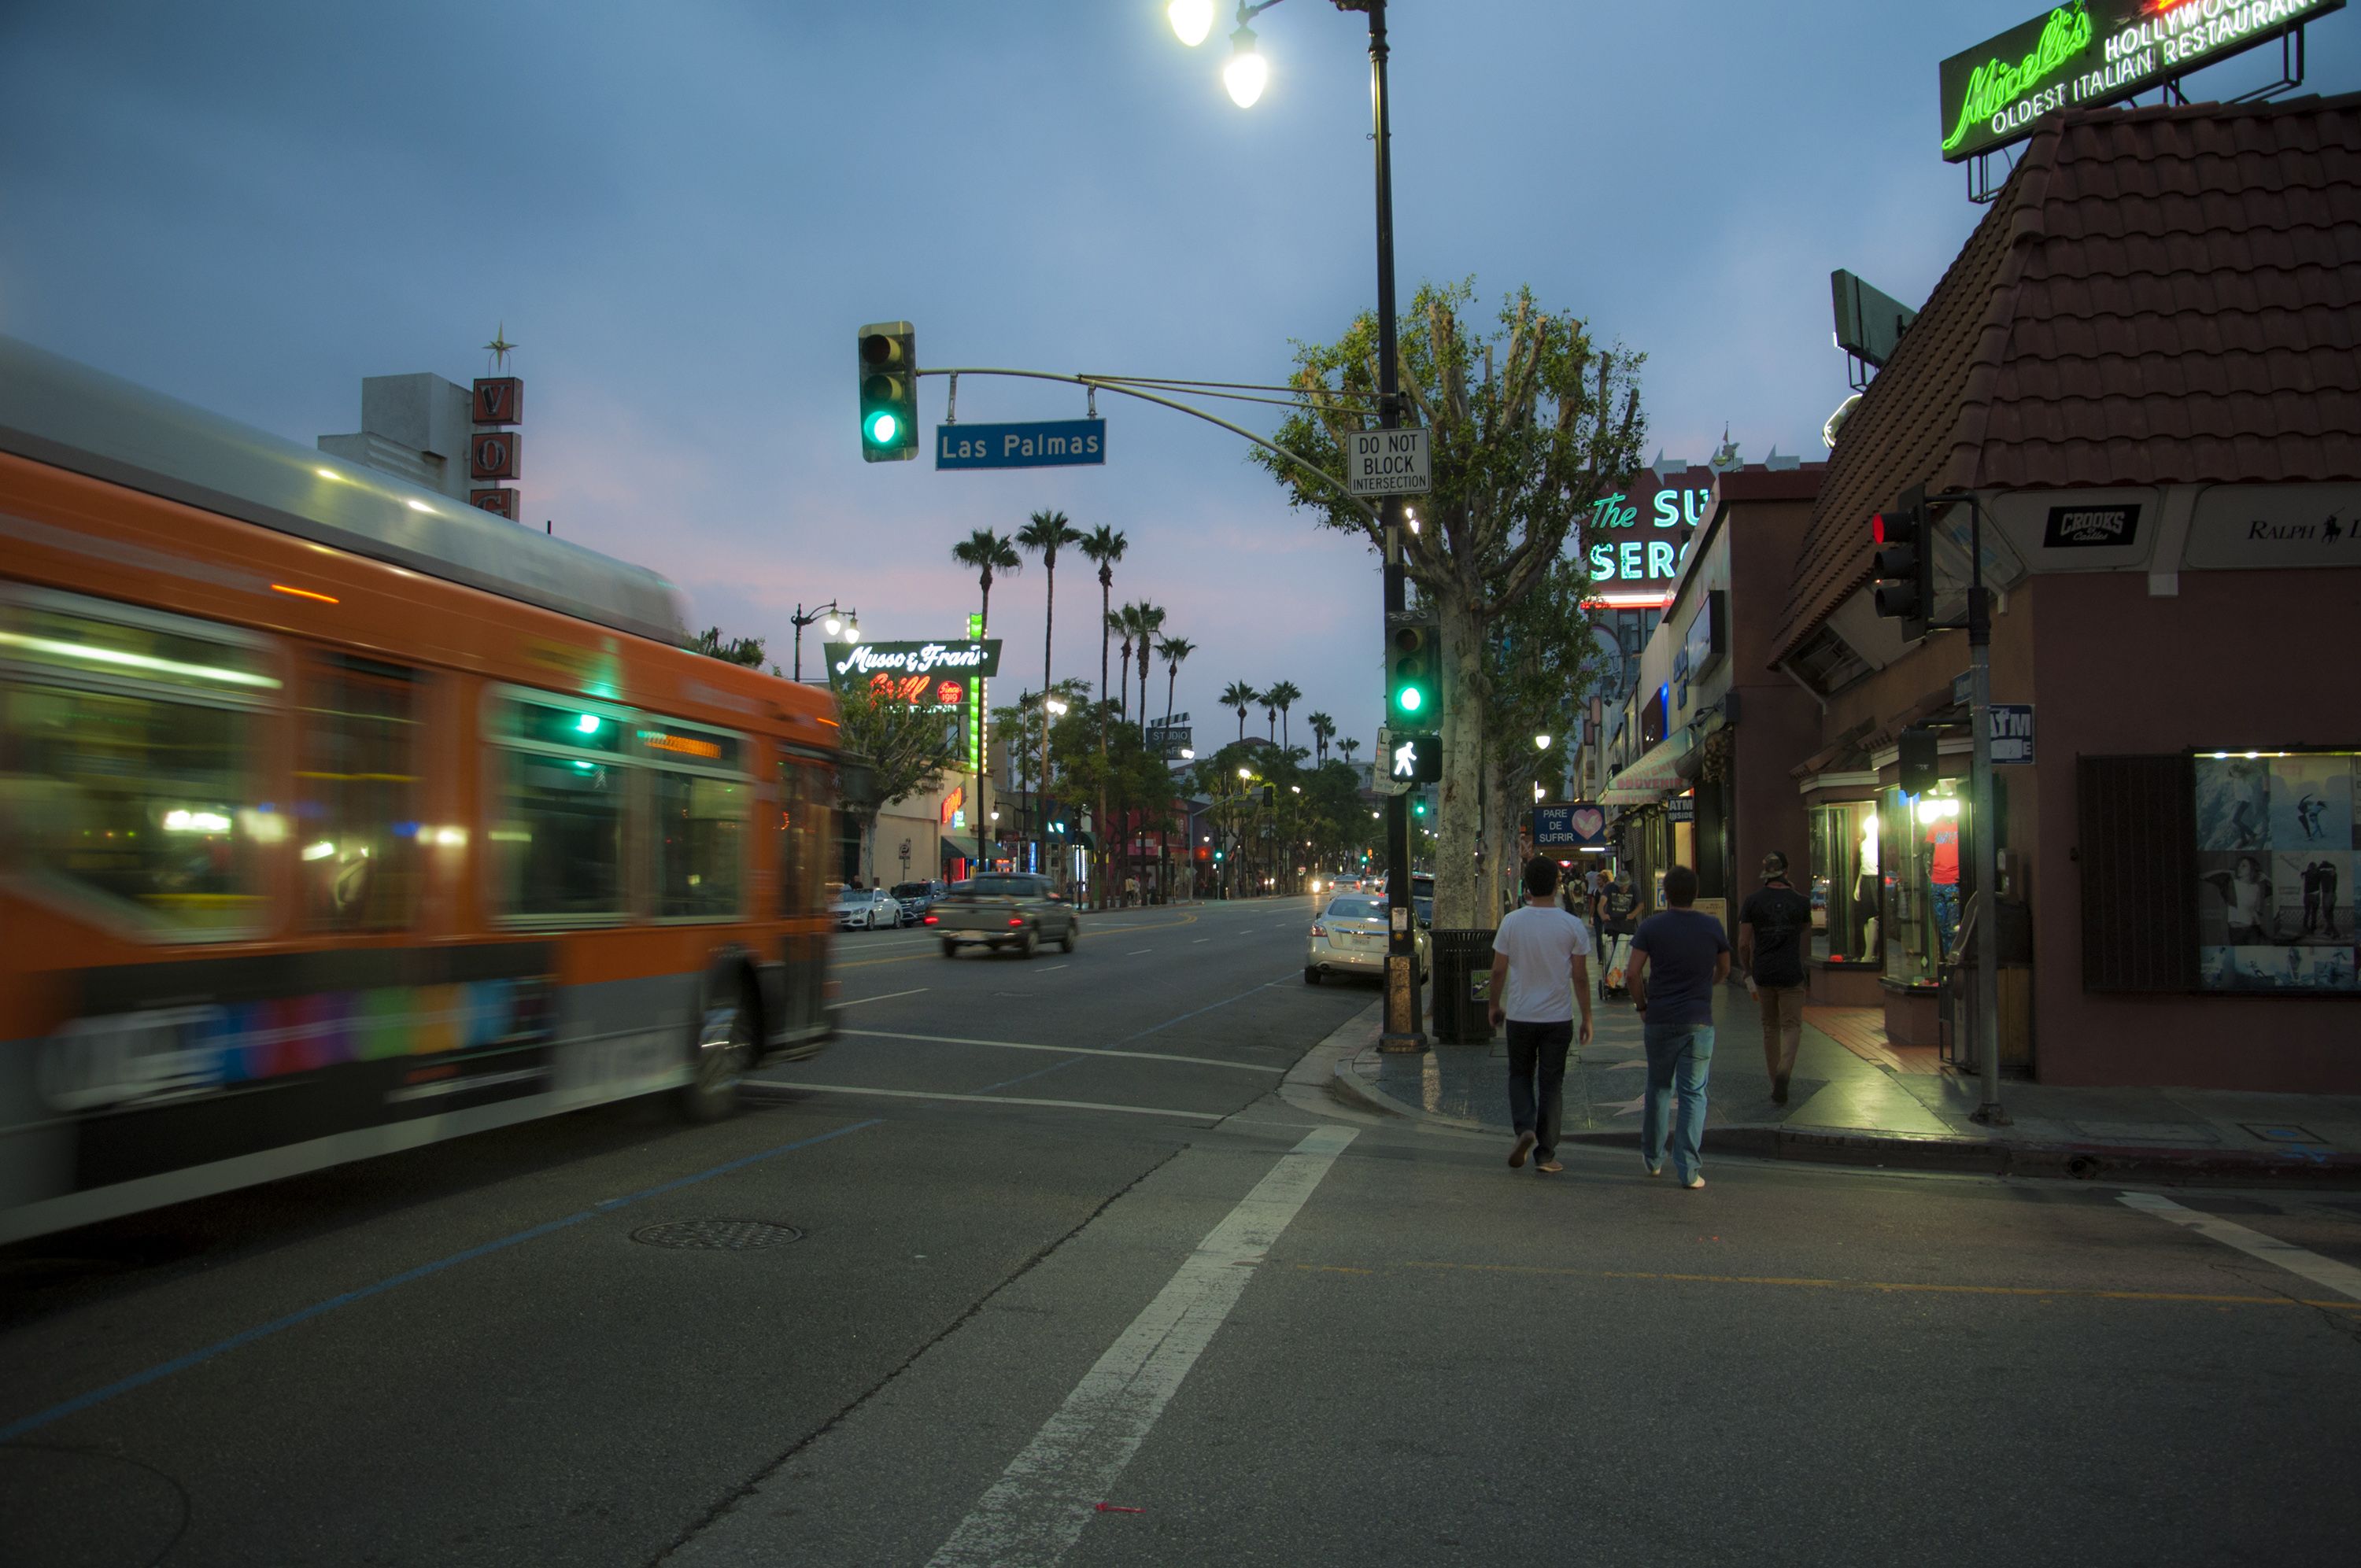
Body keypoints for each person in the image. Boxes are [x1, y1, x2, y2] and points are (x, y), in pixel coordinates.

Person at [1487, 856, 1594, 1176]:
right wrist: (1587, 1016)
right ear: (1558, 884)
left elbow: (1497, 970)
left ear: (1527, 886)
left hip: (1521, 1015)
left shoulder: (1512, 922)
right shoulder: (1571, 925)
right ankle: (1546, 1154)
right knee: (1552, 1084)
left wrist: (1494, 1005)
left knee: (1519, 1075)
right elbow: (1581, 977)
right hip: (1557, 1018)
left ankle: (1524, 1128)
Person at [1628, 864, 1730, 1190]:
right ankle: (1688, 1169)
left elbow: (1631, 974)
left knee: (1658, 1088)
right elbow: (1724, 969)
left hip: (1659, 1017)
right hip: (1699, 1021)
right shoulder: (1712, 926)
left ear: (1666, 894)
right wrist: (1706, 985)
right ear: (1696, 894)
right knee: (1693, 1094)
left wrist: (1642, 1005)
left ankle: (1653, 1158)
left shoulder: (1651, 927)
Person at [1737, 850, 1812, 1105]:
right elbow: (1803, 928)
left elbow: (1744, 943)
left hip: (1764, 972)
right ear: (1787, 871)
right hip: (1791, 971)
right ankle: (1784, 1072)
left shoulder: (1752, 901)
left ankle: (1774, 1082)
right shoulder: (1800, 901)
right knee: (1792, 1025)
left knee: (1770, 1026)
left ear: (1765, 874)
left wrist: (1747, 969)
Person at [1598, 870, 1639, 995]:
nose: (1623, 888)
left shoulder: (1634, 888)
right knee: (1615, 954)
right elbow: (1601, 904)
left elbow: (1641, 905)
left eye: (1625, 886)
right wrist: (1603, 915)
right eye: (1621, 886)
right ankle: (1614, 981)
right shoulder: (1610, 887)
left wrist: (1633, 914)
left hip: (1628, 927)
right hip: (1612, 926)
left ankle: (1621, 981)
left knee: (1626, 955)